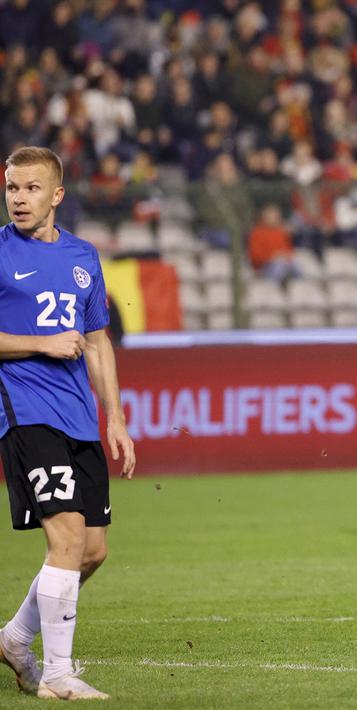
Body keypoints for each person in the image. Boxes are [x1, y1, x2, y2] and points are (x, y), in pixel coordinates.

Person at [0, 146, 136, 700]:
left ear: (56, 195)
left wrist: (117, 418)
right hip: (25, 411)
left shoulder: (83, 256)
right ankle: (56, 675)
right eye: (11, 188)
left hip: (79, 416)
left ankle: (14, 638)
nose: (18, 198)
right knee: (67, 537)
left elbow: (99, 341)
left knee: (93, 550)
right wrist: (40, 344)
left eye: (31, 189)